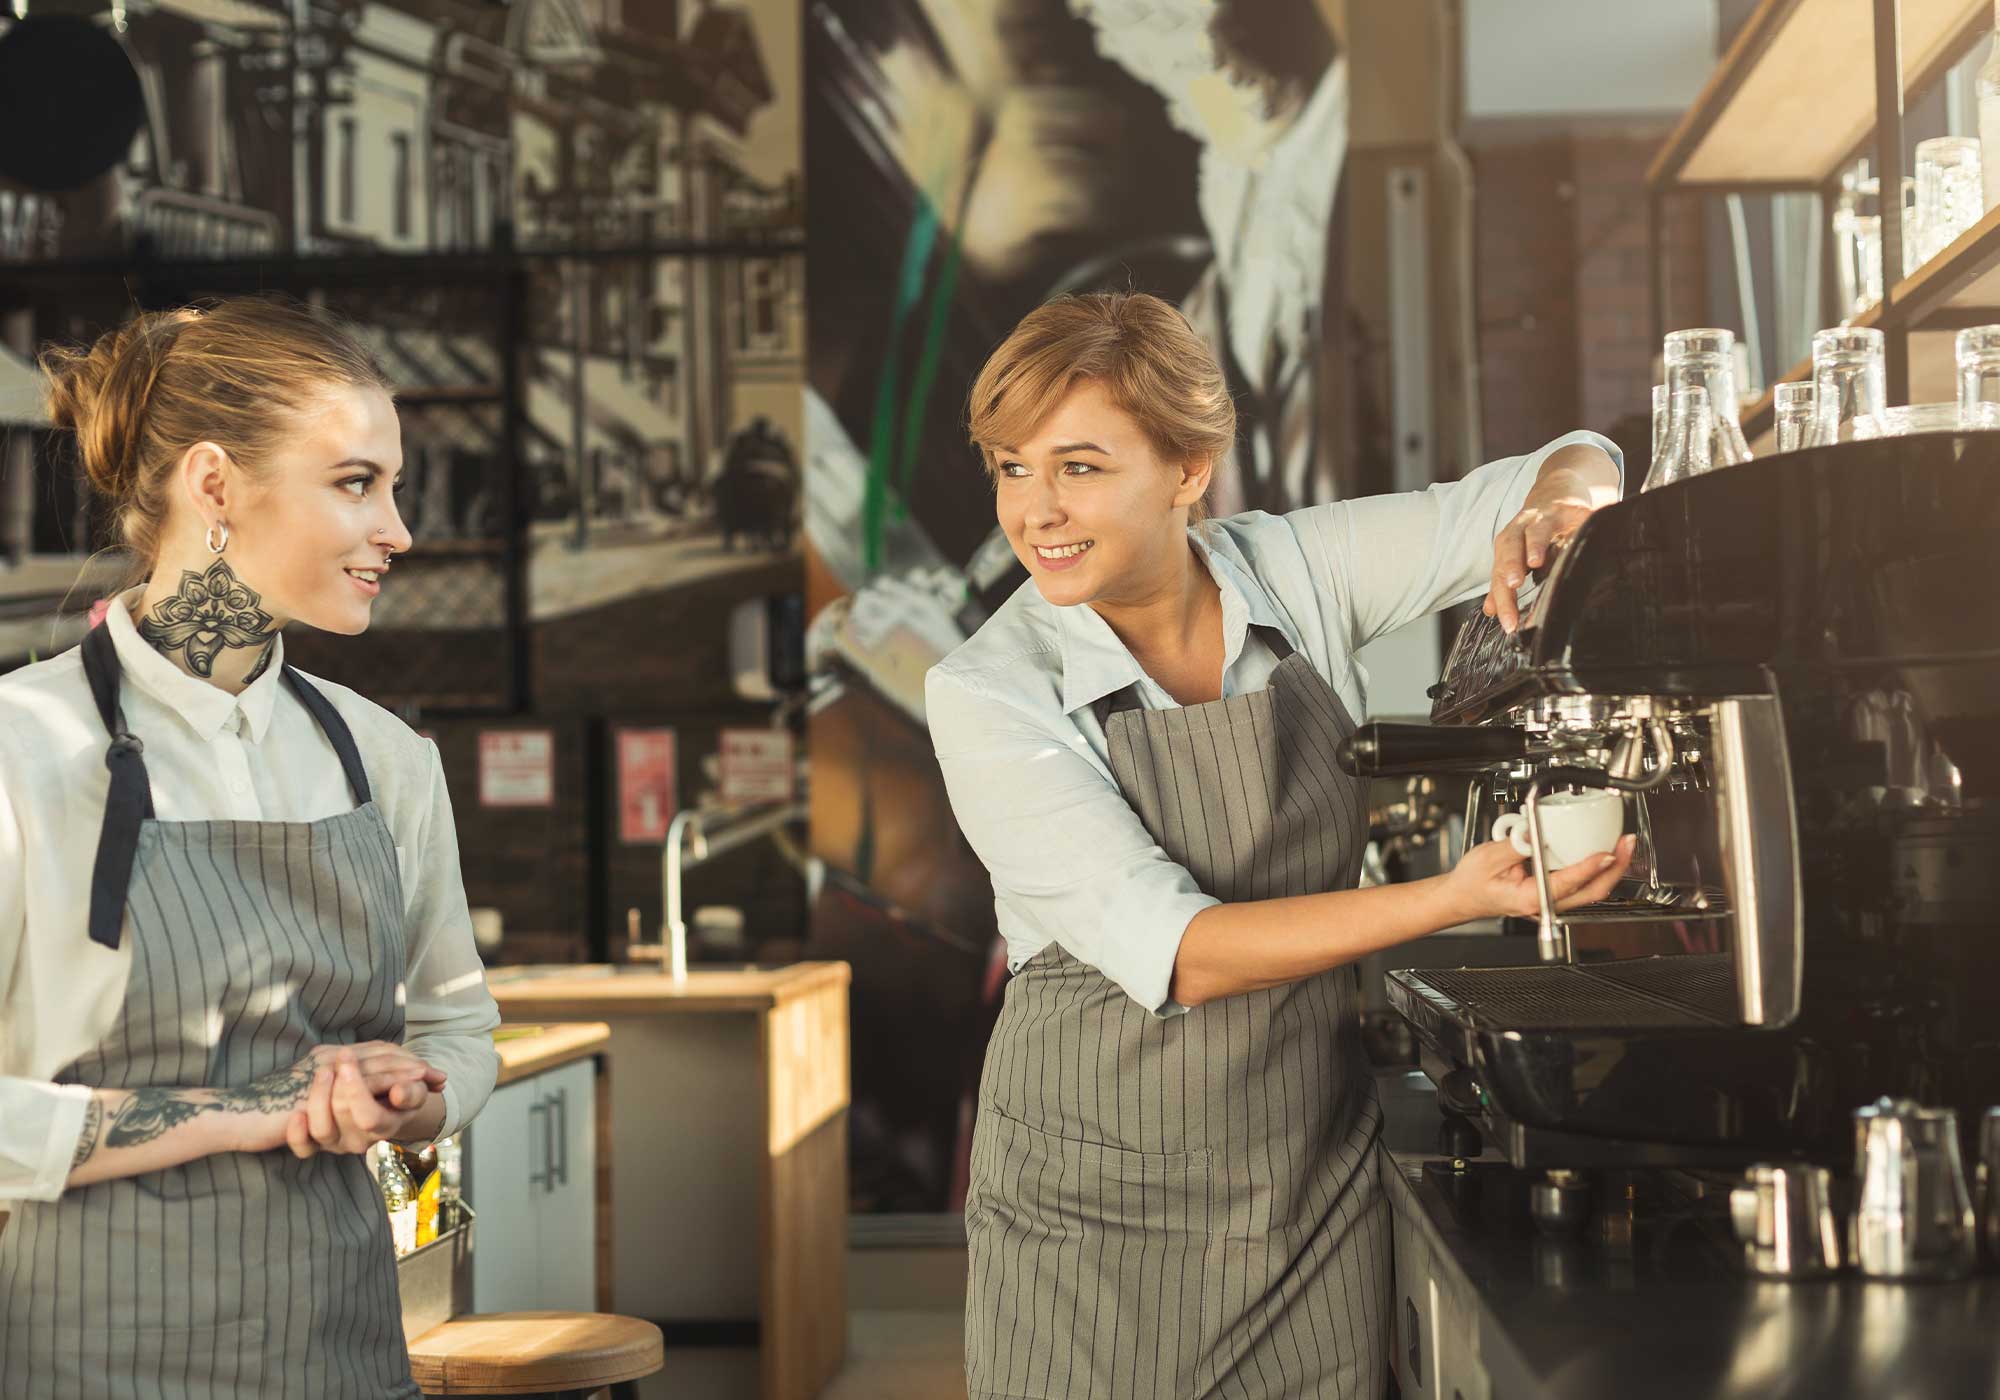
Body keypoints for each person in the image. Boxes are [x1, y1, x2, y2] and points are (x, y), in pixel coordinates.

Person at [927, 291, 1636, 1399]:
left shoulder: (1292, 569)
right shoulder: (985, 687)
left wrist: (1561, 513)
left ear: (1188, 468)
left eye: (1077, 465)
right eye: (1011, 468)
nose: (1035, 512)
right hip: (1090, 1210)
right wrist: (1456, 894)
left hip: (1302, 1179)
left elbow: (1572, 456)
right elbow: (1182, 948)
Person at [0, 297, 501, 1399]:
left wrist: (406, 1093)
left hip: (342, 1340)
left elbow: (461, 1027)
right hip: (88, 1352)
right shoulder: (21, 748)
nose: (399, 531)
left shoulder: (386, 760)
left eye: (395, 487)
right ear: (215, 485)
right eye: (356, 482)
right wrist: (258, 1110)